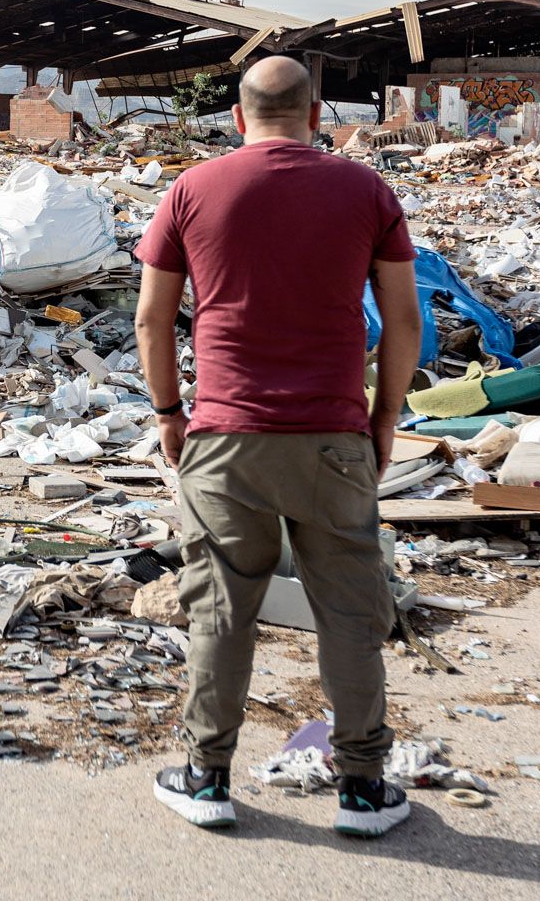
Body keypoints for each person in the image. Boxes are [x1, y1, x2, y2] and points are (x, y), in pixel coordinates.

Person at [134, 56, 422, 837]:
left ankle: (205, 778)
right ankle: (362, 788)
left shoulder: (192, 189)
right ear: (317, 113)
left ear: (236, 117)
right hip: (333, 436)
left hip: (225, 437)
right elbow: (403, 320)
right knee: (350, 615)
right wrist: (385, 418)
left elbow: (152, 319)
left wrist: (168, 412)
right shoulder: (365, 190)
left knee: (221, 610)